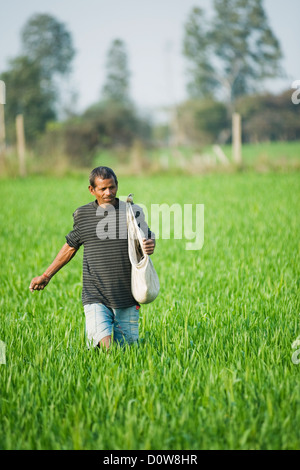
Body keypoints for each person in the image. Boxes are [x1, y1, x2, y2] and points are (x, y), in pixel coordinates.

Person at [29, 166, 155, 349]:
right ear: (92, 190)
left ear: (117, 185)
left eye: (112, 187)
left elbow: (148, 237)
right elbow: (70, 247)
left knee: (128, 352)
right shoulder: (84, 215)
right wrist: (46, 276)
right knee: (105, 348)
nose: (108, 192)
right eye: (103, 189)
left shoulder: (132, 211)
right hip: (95, 296)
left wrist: (150, 245)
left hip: (127, 296)